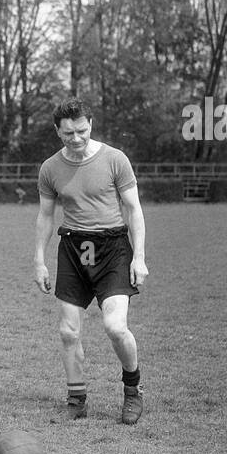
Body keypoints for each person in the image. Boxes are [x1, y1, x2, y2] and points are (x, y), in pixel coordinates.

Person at [33, 98, 148, 425]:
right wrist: (39, 261)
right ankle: (77, 397)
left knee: (115, 327)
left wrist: (138, 257)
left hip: (112, 247)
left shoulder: (115, 159)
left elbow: (134, 209)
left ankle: (132, 390)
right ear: (57, 131)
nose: (76, 138)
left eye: (81, 130)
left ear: (91, 125)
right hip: (73, 247)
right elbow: (45, 215)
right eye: (67, 133)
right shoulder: (50, 168)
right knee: (68, 331)